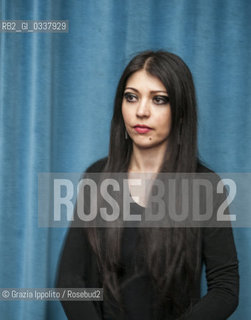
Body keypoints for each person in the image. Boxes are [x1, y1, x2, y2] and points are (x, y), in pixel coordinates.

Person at [56, 50, 239, 319]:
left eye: (159, 100)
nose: (141, 111)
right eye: (131, 97)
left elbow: (225, 290)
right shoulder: (97, 177)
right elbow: (70, 280)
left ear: (180, 111)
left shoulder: (206, 186)